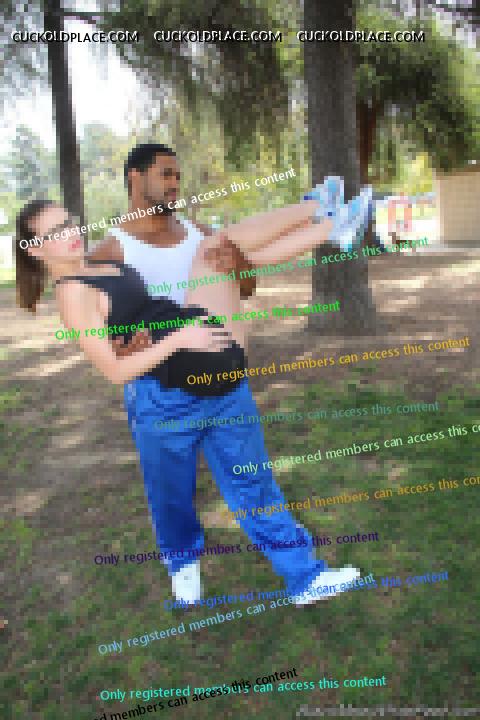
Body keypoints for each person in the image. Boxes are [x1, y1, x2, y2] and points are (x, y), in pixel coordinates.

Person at [16, 161, 371, 607]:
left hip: (212, 372)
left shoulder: (103, 263)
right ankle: (182, 562)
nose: (69, 233)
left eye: (68, 222)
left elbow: (135, 323)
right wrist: (178, 339)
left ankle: (304, 577)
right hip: (165, 398)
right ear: (35, 249)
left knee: (255, 484)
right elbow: (114, 371)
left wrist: (164, 333)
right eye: (53, 232)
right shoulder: (72, 291)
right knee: (172, 496)